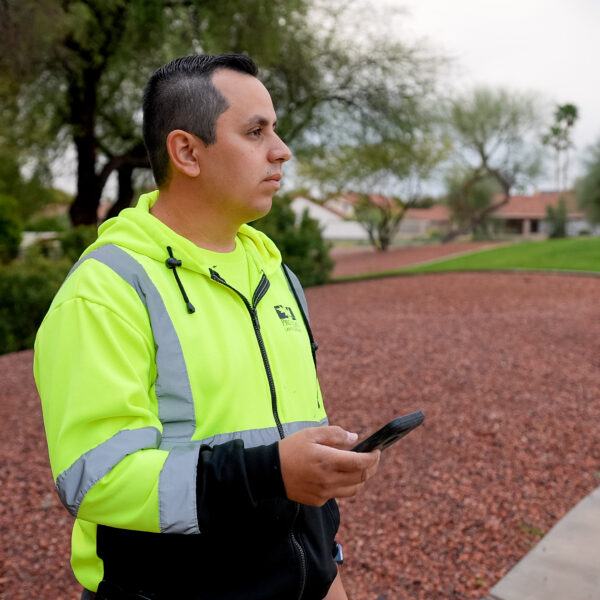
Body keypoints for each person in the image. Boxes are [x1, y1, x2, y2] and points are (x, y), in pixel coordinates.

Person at [34, 54, 380, 600]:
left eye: (276, 128)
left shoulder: (277, 276)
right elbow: (95, 480)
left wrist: (327, 572)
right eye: (255, 131)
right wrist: (270, 473)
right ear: (187, 152)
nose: (281, 149)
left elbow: (289, 454)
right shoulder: (104, 292)